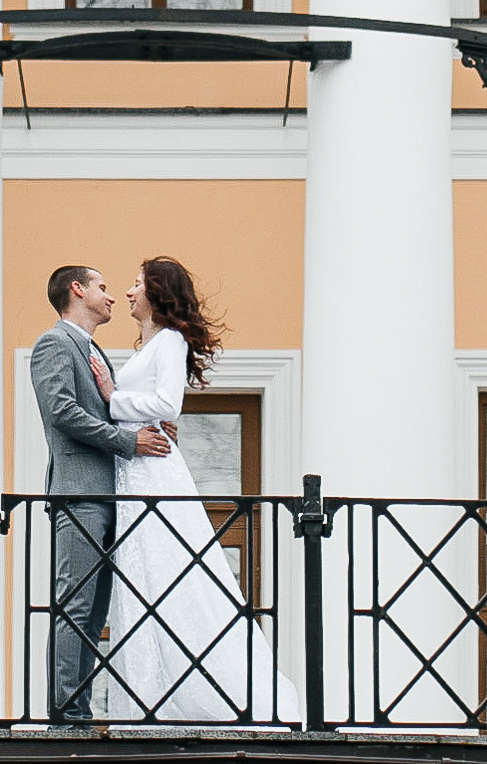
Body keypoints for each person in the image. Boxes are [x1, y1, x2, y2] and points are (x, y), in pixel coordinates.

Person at [105, 256, 296, 723]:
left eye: (135, 284)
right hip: (136, 466)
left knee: (166, 569)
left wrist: (111, 397)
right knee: (143, 576)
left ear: (156, 292)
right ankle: (152, 694)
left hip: (153, 470)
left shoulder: (168, 340)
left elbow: (168, 403)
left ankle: (201, 693)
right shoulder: (150, 343)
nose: (128, 293)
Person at [30, 264, 171, 725]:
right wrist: (128, 441)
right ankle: (67, 714)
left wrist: (144, 424)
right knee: (76, 603)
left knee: (94, 611)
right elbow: (63, 412)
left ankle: (78, 707)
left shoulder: (92, 350)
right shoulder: (55, 343)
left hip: (111, 496)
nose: (111, 297)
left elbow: (106, 410)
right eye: (102, 287)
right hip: (80, 494)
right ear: (77, 289)